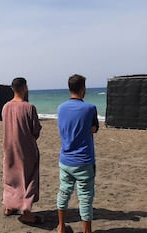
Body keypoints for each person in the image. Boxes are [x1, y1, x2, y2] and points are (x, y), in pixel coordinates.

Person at [56, 74, 99, 233]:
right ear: (83, 89)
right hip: (84, 160)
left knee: (64, 193)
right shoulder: (90, 108)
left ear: (69, 88)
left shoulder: (60, 108)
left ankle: (61, 227)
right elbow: (93, 129)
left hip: (65, 160)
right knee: (86, 198)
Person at [1, 77, 43, 224]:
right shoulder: (29, 107)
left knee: (10, 177)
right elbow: (36, 130)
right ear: (25, 87)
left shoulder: (5, 107)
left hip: (9, 147)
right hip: (26, 149)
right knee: (29, 179)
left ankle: (9, 206)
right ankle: (26, 211)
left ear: (12, 89)